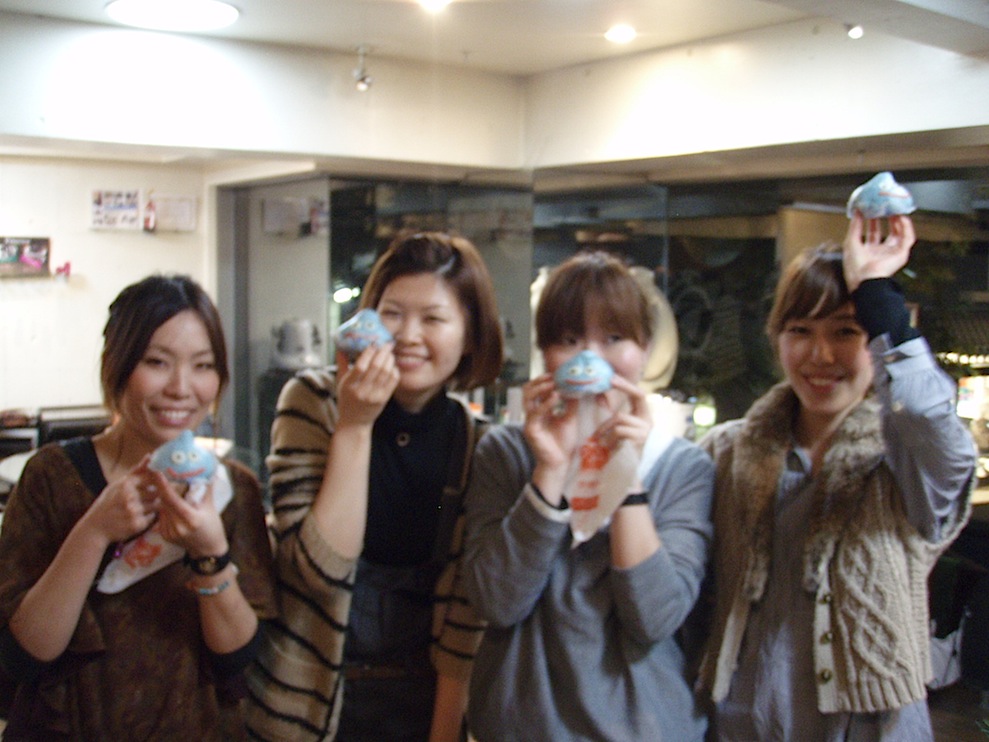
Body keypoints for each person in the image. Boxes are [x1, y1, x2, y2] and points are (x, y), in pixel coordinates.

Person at [696, 213, 974, 740]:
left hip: (873, 727)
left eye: (846, 331)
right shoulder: (726, 452)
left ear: (876, 341)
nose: (820, 355)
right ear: (776, 338)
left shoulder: (904, 461)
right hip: (741, 724)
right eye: (799, 331)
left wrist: (877, 292)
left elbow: (929, 421)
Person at [246, 232, 504, 741]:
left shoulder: (478, 446)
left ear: (471, 336)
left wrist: (443, 735)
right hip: (309, 705)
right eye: (392, 314)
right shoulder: (314, 402)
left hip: (423, 701)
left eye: (433, 319)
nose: (407, 335)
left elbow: (465, 620)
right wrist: (355, 425)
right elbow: (317, 573)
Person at [0, 274, 277, 740]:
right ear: (117, 365)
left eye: (203, 366)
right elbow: (24, 656)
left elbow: (236, 660)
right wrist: (94, 531)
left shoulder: (232, 491)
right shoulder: (52, 476)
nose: (181, 388)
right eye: (157, 362)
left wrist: (209, 554)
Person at [462, 250, 714, 741]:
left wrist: (626, 474)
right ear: (545, 354)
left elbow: (654, 619)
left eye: (614, 338)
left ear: (645, 348)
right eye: (568, 340)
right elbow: (497, 602)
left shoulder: (682, 467)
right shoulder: (506, 454)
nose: (590, 357)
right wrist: (551, 468)